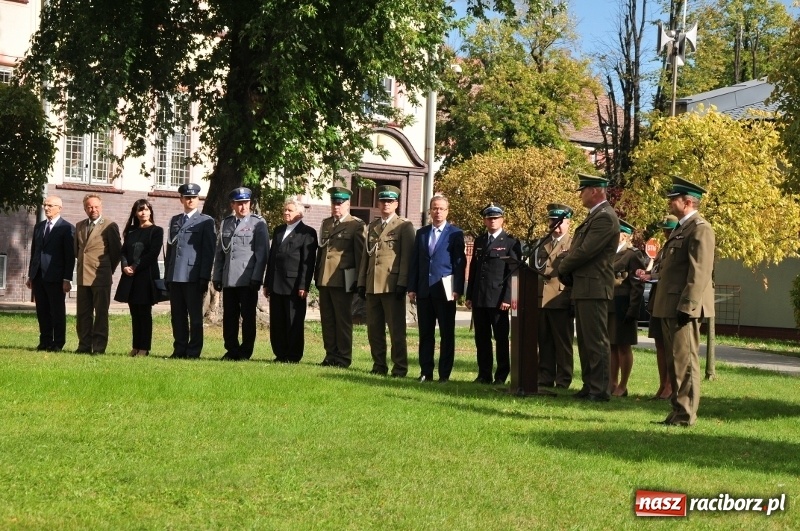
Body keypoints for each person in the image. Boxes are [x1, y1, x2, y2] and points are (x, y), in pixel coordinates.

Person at [652, 177, 715, 426]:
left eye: (673, 199)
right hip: (670, 304)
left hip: (683, 306)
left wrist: (688, 305)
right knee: (674, 361)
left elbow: (700, 271)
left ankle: (686, 414)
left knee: (685, 361)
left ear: (687, 202)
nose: (669, 203)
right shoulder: (681, 228)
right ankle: (677, 410)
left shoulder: (700, 228)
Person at [557, 174, 619, 402]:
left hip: (595, 287)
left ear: (594, 191)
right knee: (585, 341)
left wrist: (563, 266)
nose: (580, 195)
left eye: (583, 191)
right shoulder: (595, 216)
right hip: (585, 286)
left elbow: (585, 251)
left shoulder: (605, 218)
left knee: (596, 340)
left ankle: (600, 389)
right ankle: (590, 385)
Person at [357, 185, 415, 377]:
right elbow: (366, 256)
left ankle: (399, 368)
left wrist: (403, 282)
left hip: (392, 284)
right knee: (374, 330)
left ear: (396, 203)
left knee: (396, 330)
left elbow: (407, 257)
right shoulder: (372, 226)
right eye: (383, 201)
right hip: (372, 284)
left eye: (390, 201)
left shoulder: (404, 226)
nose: (386, 204)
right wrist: (361, 282)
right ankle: (379, 365)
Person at [408, 195, 466, 383]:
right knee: (426, 334)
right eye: (434, 208)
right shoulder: (422, 233)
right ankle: (426, 372)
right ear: (430, 211)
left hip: (445, 291)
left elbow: (459, 264)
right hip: (424, 290)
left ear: (447, 211)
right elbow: (415, 262)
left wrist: (457, 289)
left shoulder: (455, 234)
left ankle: (444, 374)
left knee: (446, 334)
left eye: (441, 208)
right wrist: (412, 287)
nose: (438, 212)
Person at [465, 203, 522, 385]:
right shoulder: (480, 241)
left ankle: (501, 375)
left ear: (502, 220)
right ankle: (484, 374)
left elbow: (513, 273)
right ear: (484, 221)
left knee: (501, 338)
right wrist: (469, 295)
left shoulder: (511, 242)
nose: (492, 221)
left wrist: (508, 298)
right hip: (480, 297)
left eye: (496, 218)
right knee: (481, 339)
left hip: (498, 299)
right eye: (489, 218)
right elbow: (474, 269)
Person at [212, 187, 270, 361]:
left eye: (246, 203)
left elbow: (262, 254)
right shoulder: (226, 223)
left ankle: (245, 351)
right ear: (233, 205)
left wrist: (257, 277)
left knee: (248, 317)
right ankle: (231, 350)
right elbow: (220, 253)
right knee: (229, 317)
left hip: (247, 278)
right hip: (229, 278)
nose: (243, 207)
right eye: (239, 203)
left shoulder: (258, 223)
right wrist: (217, 276)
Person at [315, 186, 366, 368]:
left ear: (347, 204)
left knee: (342, 321)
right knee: (327, 320)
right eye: (334, 203)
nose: (336, 207)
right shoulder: (326, 223)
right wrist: (317, 275)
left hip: (343, 280)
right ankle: (330, 355)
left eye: (340, 203)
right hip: (325, 278)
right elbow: (322, 252)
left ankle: (343, 357)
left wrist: (359, 281)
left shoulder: (356, 225)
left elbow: (360, 256)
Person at [165, 183, 216, 359]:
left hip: (193, 276)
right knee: (177, 316)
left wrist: (204, 276)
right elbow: (170, 249)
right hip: (175, 276)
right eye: (187, 198)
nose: (190, 200)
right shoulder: (175, 220)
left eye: (193, 197)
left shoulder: (205, 221)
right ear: (181, 199)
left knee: (195, 317)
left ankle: (193, 351)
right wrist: (167, 275)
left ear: (198, 199)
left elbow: (208, 252)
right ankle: (179, 349)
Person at [264, 198, 318, 363]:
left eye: (290, 210)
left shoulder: (307, 232)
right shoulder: (279, 230)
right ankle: (280, 353)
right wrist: (267, 283)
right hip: (276, 283)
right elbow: (272, 258)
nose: (286, 212)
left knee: (293, 321)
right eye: (285, 210)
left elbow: (308, 262)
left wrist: (303, 285)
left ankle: (293, 355)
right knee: (277, 321)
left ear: (299, 214)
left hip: (294, 286)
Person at [113, 199, 165, 357]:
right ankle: (135, 346)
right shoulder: (131, 231)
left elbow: (153, 253)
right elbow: (123, 251)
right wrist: (124, 266)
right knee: (134, 312)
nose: (143, 213)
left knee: (144, 313)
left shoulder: (156, 230)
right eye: (140, 210)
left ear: (150, 211)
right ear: (135, 213)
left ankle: (144, 348)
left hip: (145, 276)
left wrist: (135, 266)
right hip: (130, 277)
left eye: (146, 209)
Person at [636, 214, 679, 400]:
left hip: (669, 301)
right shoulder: (664, 249)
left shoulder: (676, 248)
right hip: (657, 301)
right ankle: (663, 384)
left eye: (669, 230)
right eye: (664, 230)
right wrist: (645, 273)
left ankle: (671, 385)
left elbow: (670, 273)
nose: (666, 233)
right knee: (660, 344)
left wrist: (652, 276)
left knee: (670, 346)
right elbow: (657, 270)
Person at [26, 196, 75, 352]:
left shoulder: (67, 228)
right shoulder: (39, 227)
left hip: (56, 277)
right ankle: (45, 341)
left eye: (50, 205)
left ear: (59, 208)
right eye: (45, 205)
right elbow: (35, 252)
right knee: (42, 311)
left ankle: (58, 342)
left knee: (57, 311)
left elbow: (69, 256)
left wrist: (67, 278)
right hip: (39, 276)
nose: (46, 208)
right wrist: (31, 275)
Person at [532, 203, 574, 389]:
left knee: (562, 342)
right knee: (544, 341)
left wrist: (572, 299)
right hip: (541, 299)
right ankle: (545, 377)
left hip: (561, 298)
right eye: (552, 220)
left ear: (568, 223)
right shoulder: (542, 243)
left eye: (560, 221)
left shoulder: (573, 244)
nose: (555, 224)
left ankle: (563, 379)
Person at [74, 194, 122, 354]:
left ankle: (99, 347)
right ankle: (84, 345)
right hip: (82, 276)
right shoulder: (79, 226)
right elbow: (77, 250)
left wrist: (107, 270)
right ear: (84, 208)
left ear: (101, 207)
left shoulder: (109, 225)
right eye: (89, 207)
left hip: (100, 277)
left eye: (95, 206)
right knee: (83, 314)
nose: (93, 209)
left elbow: (116, 252)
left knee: (101, 314)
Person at [608, 219, 647, 397]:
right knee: (611, 345)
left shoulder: (632, 255)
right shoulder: (608, 253)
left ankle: (623, 385)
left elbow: (637, 285)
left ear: (624, 235)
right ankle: (612, 383)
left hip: (623, 304)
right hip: (609, 303)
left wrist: (633, 309)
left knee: (623, 346)